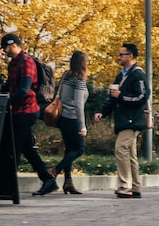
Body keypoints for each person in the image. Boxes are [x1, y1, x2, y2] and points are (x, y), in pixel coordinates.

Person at [0, 33, 58, 196]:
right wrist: (0, 87)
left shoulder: (26, 62)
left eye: (5, 48)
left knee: (12, 148)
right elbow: (13, 85)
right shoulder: (13, 64)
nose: (4, 52)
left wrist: (7, 102)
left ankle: (7, 187)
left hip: (26, 111)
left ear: (12, 45)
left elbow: (24, 88)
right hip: (18, 111)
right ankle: (48, 180)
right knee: (27, 149)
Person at [95, 43, 148, 198]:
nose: (119, 58)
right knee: (130, 154)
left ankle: (125, 185)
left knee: (121, 148)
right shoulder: (121, 75)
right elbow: (112, 96)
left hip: (132, 120)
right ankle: (136, 187)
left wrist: (122, 97)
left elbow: (143, 96)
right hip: (123, 120)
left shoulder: (138, 75)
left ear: (130, 56)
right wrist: (102, 112)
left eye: (122, 55)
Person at [48, 50, 90, 195]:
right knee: (79, 150)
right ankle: (55, 170)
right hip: (73, 119)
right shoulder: (79, 80)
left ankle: (68, 182)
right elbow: (79, 104)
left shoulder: (67, 75)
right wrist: (83, 125)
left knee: (69, 149)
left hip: (63, 118)